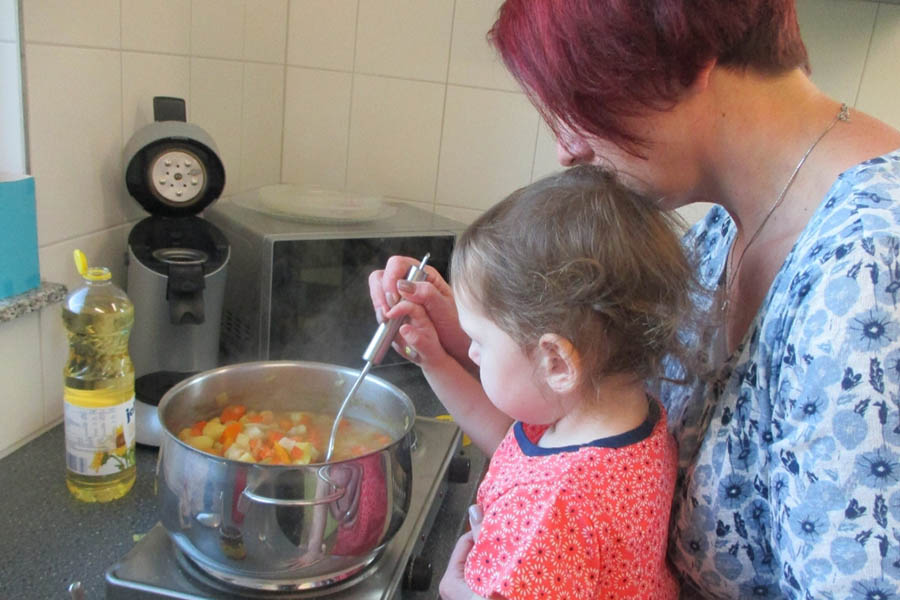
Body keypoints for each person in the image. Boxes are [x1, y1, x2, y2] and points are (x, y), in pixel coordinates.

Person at [369, 1, 900, 598]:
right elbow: (586, 404)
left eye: (580, 108)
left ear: (683, 60)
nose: (566, 150)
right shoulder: (718, 232)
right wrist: (475, 333)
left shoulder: (871, 277)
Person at [400, 165, 696, 599]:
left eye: (480, 339)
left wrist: (455, 593)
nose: (473, 352)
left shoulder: (554, 506)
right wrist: (434, 360)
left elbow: (546, 499)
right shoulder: (627, 420)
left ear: (556, 362)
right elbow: (514, 443)